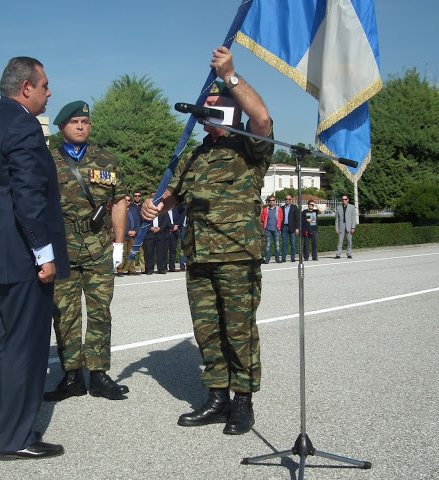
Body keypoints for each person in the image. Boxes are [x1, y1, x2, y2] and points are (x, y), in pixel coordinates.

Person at [142, 46, 273, 435]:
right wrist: (156, 206)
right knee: (208, 330)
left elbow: (263, 119)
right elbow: (173, 194)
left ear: (232, 110)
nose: (204, 112)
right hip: (198, 254)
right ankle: (217, 398)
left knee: (239, 329)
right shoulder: (196, 154)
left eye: (212, 105)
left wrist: (231, 75)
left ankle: (243, 402)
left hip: (235, 254)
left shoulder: (248, 147)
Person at [0, 56, 69, 461]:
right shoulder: (23, 125)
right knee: (26, 346)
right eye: (44, 85)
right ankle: (18, 438)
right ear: (26, 87)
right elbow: (28, 197)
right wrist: (44, 253)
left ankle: (1, 431)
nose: (48, 91)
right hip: (21, 257)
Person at [44, 100, 129, 402]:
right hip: (61, 248)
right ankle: (71, 376)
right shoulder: (46, 160)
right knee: (64, 313)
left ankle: (99, 375)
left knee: (99, 312)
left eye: (85, 121)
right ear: (61, 127)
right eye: (74, 122)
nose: (81, 126)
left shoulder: (106, 160)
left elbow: (119, 201)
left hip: (98, 248)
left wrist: (119, 244)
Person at [143, 193, 169, 275]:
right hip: (149, 234)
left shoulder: (163, 209)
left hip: (160, 234)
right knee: (149, 253)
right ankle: (149, 269)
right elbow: (143, 220)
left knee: (161, 253)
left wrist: (160, 228)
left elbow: (166, 221)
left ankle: (161, 269)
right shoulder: (147, 209)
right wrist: (150, 228)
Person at [116, 195, 139, 276]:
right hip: (123, 236)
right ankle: (120, 270)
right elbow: (118, 224)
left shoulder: (134, 210)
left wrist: (135, 231)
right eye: (126, 200)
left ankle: (131, 270)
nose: (127, 202)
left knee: (132, 253)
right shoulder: (119, 211)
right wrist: (127, 232)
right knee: (122, 253)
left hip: (133, 236)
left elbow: (137, 222)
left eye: (129, 200)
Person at [261, 195, 282, 263]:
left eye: (273, 200)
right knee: (268, 245)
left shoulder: (279, 209)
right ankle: (267, 259)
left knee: (277, 245)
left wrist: (279, 227)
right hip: (268, 229)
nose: (271, 202)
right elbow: (263, 218)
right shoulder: (266, 209)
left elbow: (281, 218)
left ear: (275, 201)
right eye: (270, 200)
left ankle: (277, 258)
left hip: (276, 229)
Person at [335, 194, 356, 259]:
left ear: (348, 200)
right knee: (340, 241)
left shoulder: (351, 207)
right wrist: (336, 228)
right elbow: (337, 219)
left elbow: (353, 218)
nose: (344, 200)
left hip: (349, 226)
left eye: (345, 199)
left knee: (349, 241)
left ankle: (349, 254)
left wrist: (353, 227)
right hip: (341, 226)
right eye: (343, 199)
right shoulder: (339, 208)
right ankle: (338, 254)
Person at [129, 191, 146, 273]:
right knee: (133, 251)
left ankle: (143, 269)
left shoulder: (143, 206)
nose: (137, 197)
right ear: (133, 197)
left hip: (142, 232)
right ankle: (132, 269)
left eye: (139, 196)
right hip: (133, 232)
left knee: (142, 252)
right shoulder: (130, 207)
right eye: (135, 196)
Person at [280, 194, 299, 262]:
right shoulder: (282, 208)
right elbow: (280, 219)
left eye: (289, 199)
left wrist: (297, 228)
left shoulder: (294, 207)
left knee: (293, 243)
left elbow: (297, 219)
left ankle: (293, 257)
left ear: (291, 200)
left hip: (292, 227)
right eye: (286, 199)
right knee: (284, 243)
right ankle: (283, 258)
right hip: (284, 227)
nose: (287, 200)